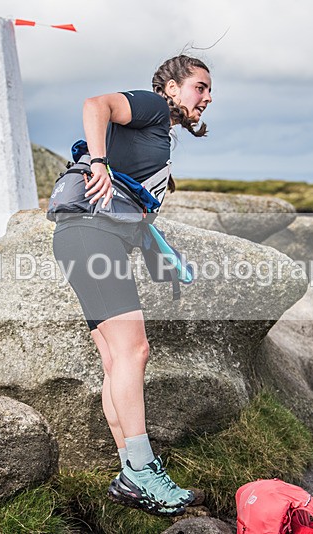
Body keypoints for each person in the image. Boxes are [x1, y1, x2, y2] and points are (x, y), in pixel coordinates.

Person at [51, 55, 212, 517]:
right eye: (199, 87)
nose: (205, 98)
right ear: (172, 87)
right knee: (133, 352)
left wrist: (158, 252)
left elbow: (131, 206)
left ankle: (131, 472)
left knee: (115, 359)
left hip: (85, 239)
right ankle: (142, 471)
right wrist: (98, 163)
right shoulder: (153, 108)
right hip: (89, 236)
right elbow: (94, 104)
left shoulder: (156, 138)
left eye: (208, 92)